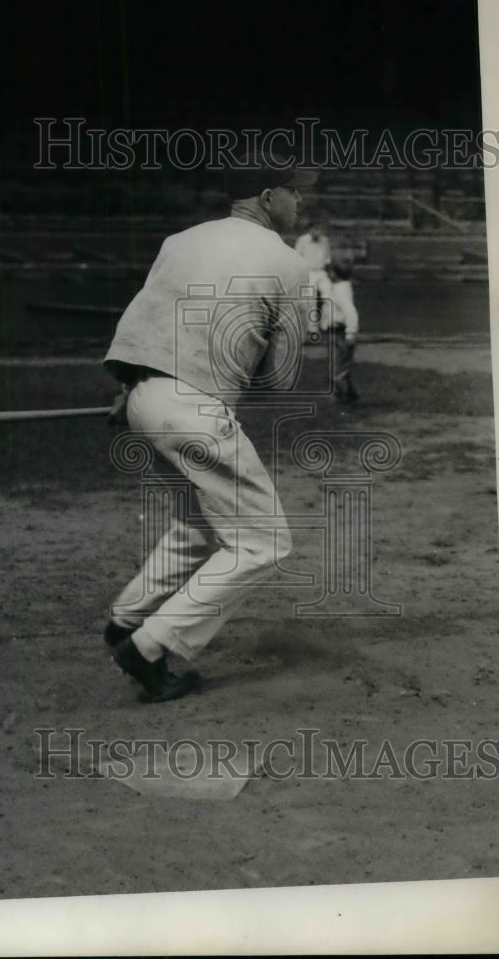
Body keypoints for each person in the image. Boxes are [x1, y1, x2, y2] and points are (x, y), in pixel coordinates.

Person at [102, 166, 317, 703]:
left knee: (199, 525)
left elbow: (145, 322)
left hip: (142, 397)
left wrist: (132, 390)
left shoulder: (180, 241)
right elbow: (279, 381)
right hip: (196, 411)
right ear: (269, 198)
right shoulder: (290, 264)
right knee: (265, 543)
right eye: (295, 191)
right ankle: (150, 645)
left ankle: (128, 618)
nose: (300, 202)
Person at [321, 254, 360, 403]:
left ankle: (342, 396)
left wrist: (351, 332)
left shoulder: (340, 291)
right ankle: (348, 393)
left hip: (341, 332)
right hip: (334, 330)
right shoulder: (339, 287)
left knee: (339, 365)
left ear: (333, 274)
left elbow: (351, 313)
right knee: (337, 363)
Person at [294, 220, 333, 337]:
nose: (318, 232)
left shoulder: (325, 241)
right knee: (310, 299)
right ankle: (312, 328)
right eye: (315, 229)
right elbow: (296, 258)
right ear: (310, 230)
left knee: (329, 294)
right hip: (308, 273)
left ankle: (326, 324)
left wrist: (329, 272)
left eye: (320, 229)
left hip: (321, 273)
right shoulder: (302, 240)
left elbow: (328, 259)